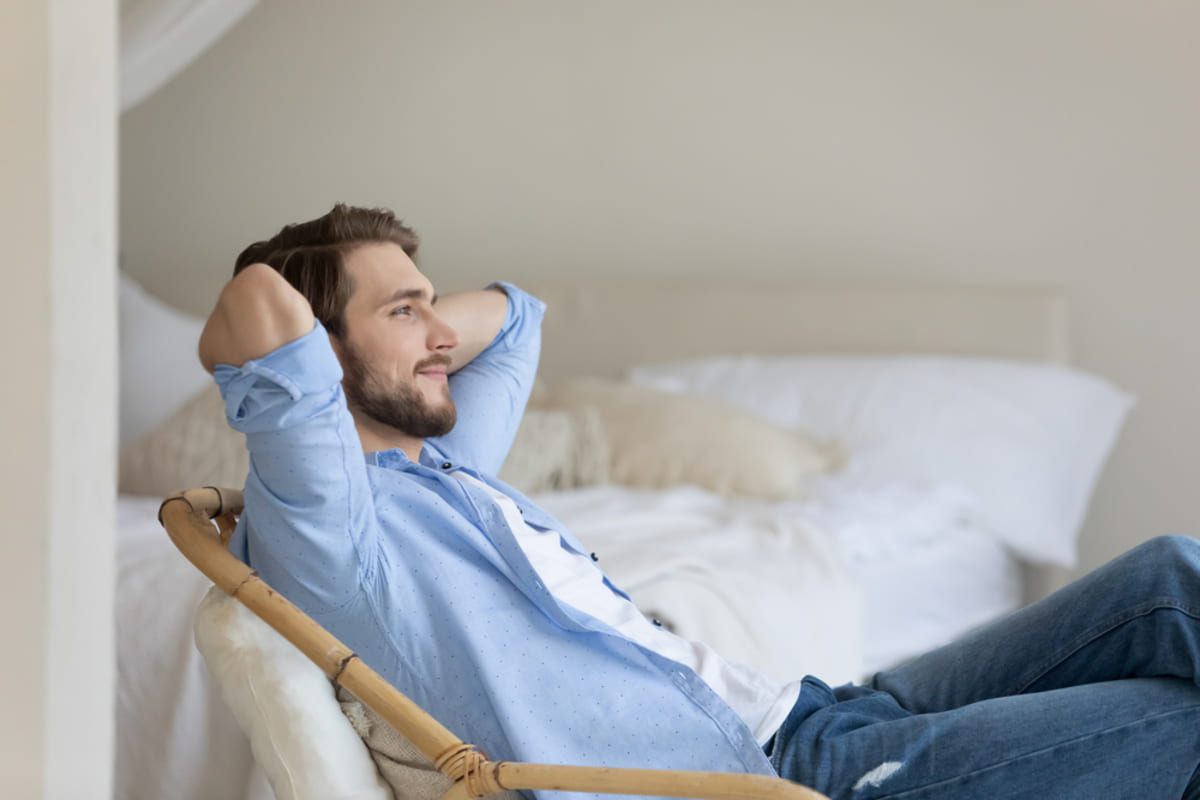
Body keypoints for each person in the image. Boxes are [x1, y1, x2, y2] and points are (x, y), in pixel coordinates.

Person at [200, 203, 1200, 800]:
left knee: (1168, 572)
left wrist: (389, 318)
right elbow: (256, 302)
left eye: (430, 303)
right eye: (406, 309)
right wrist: (329, 340)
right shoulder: (333, 527)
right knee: (1180, 720)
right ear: (314, 356)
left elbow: (519, 315)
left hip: (818, 707)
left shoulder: (444, 467)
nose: (441, 332)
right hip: (773, 777)